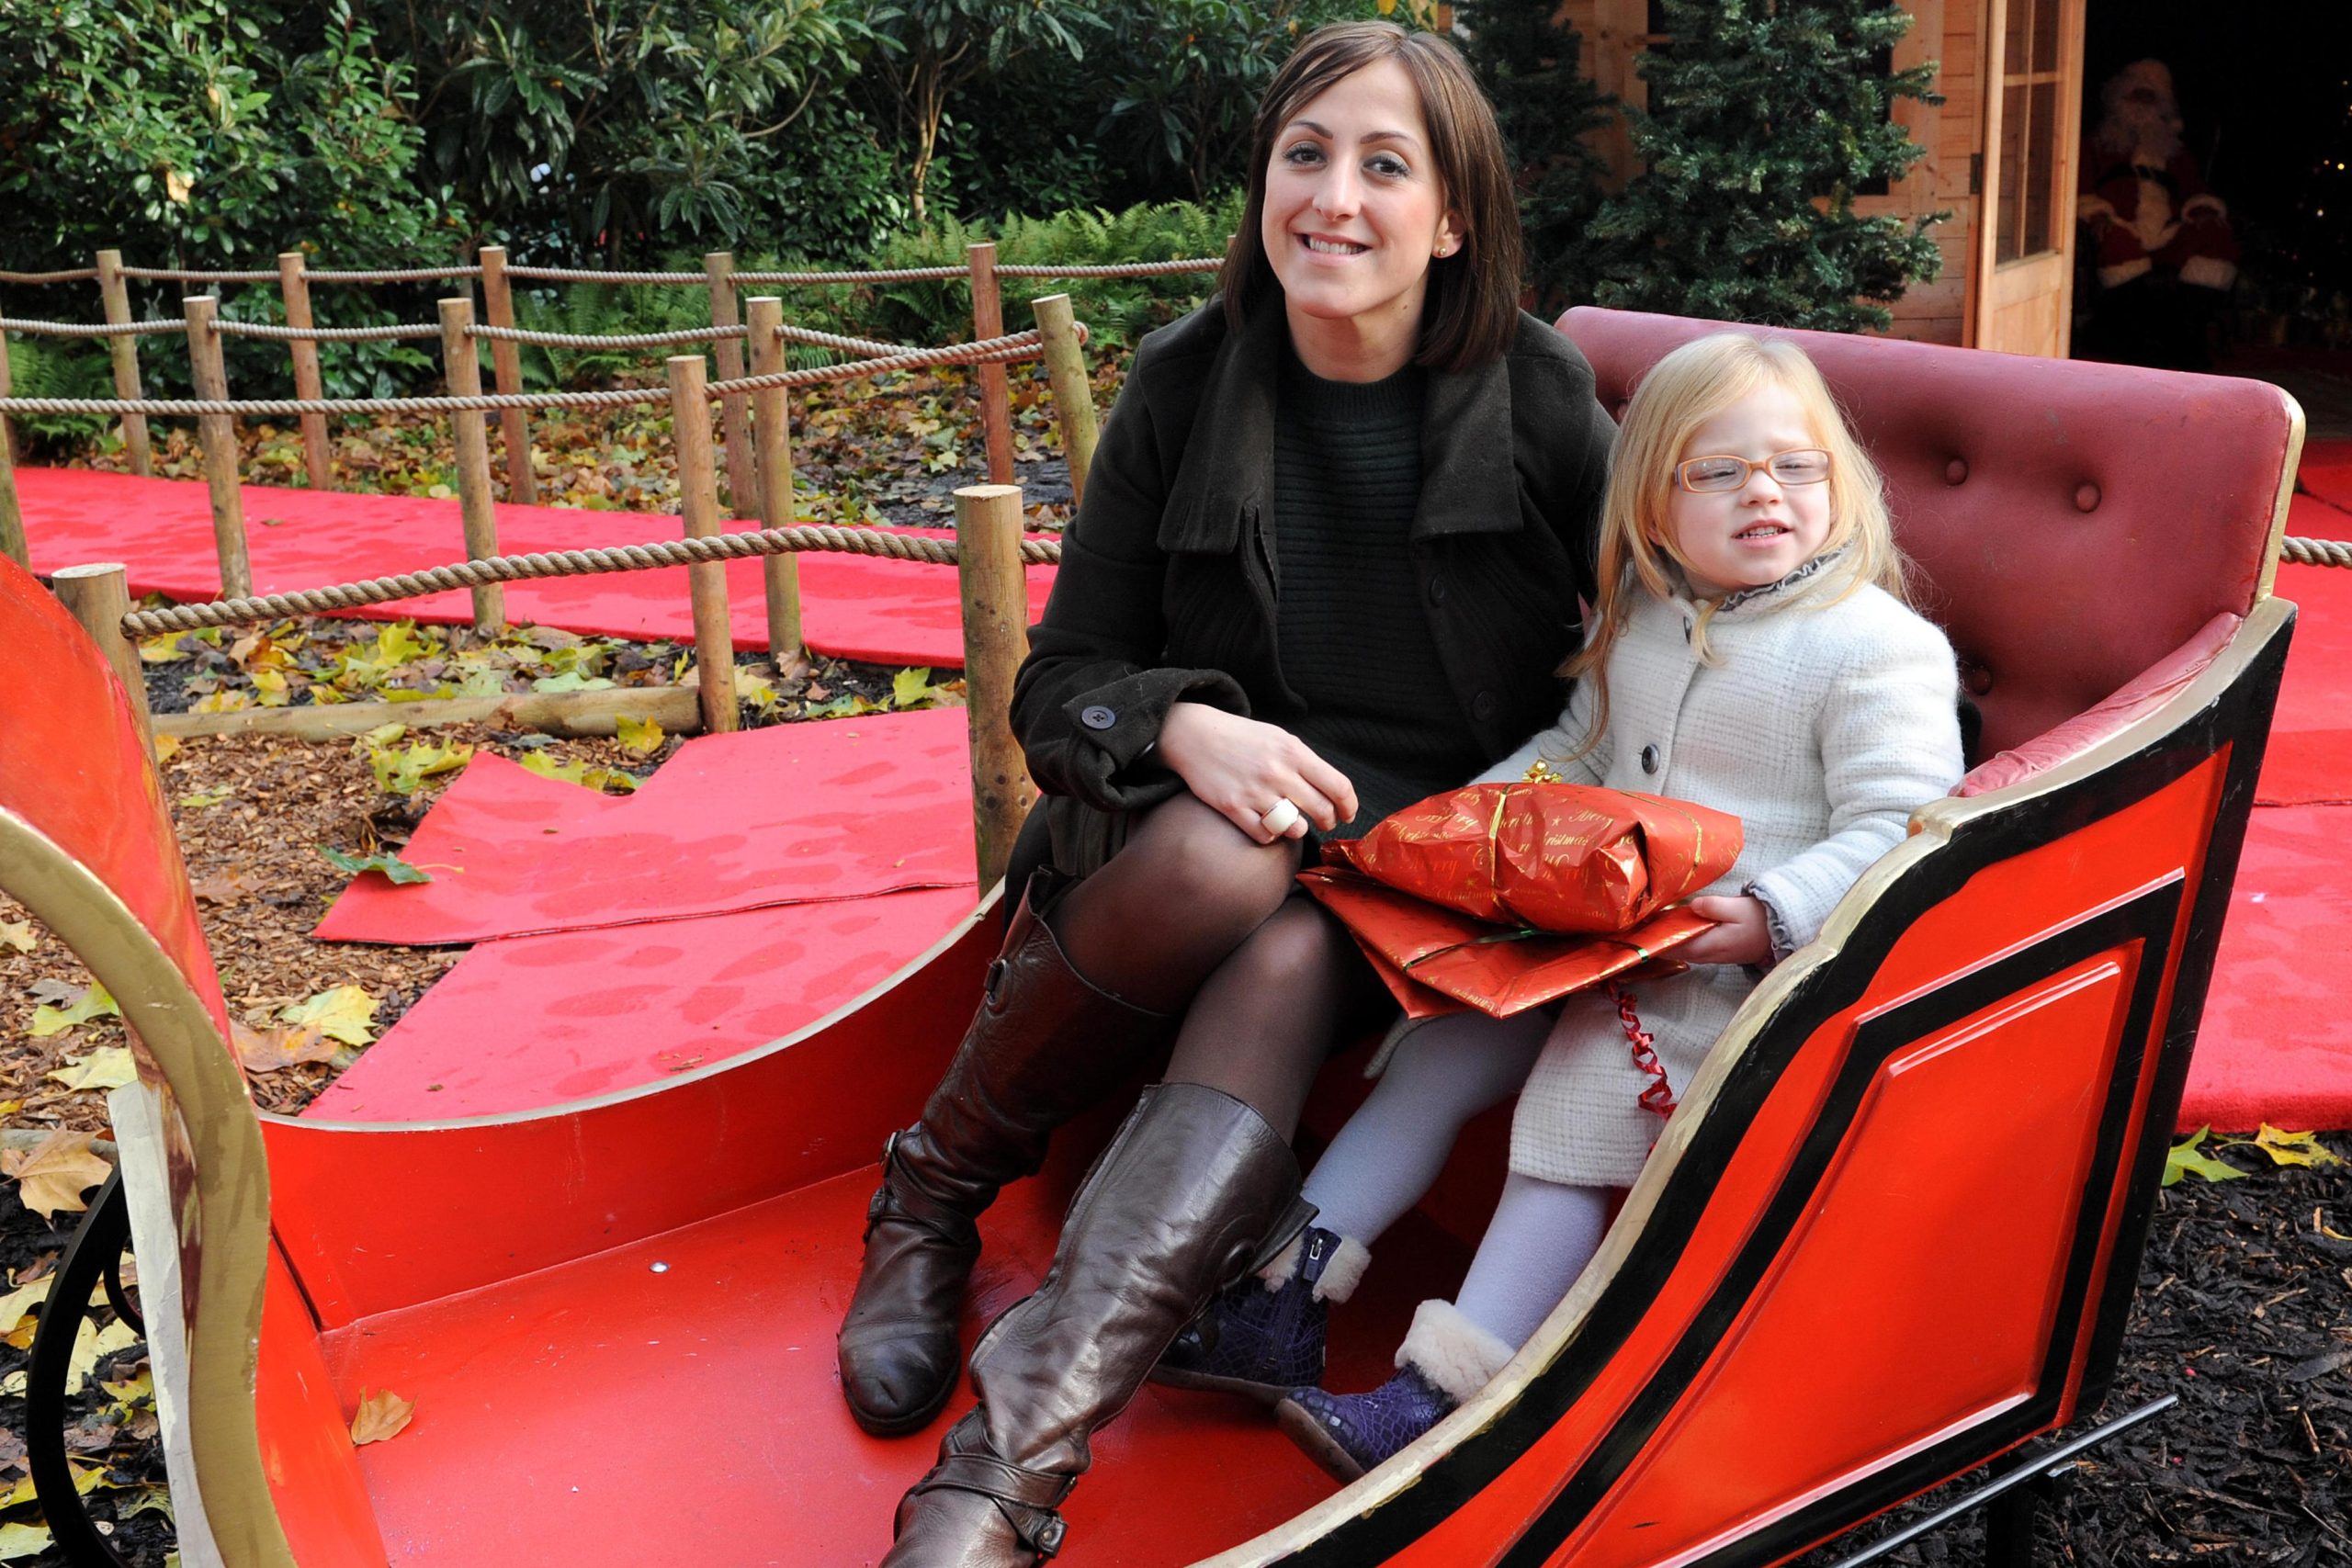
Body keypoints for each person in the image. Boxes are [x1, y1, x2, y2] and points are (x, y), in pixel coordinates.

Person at [837, 19, 1616, 1567]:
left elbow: (1683, 612)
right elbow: (1057, 685)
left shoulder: (1535, 399)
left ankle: (1002, 1467)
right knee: (1224, 869)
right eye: (1305, 156)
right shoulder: (1192, 381)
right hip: (1171, 848)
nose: (1334, 198)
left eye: (1385, 165)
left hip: (1410, 878)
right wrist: (1185, 724)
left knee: (1277, 931)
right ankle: (928, 1196)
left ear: (1452, 216)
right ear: (1263, 185)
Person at [1159, 332, 1965, 1483]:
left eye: (1796, 467)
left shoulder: (1874, 649)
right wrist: (1468, 823)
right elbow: (1576, 745)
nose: (1764, 495)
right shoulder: (1647, 615)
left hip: (1732, 977)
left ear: (1840, 482)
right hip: (1590, 932)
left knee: (1572, 1119)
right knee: (1439, 1047)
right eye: (1717, 472)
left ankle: (1451, 1394)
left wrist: (1762, 919)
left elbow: (1901, 826)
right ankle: (1280, 1294)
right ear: (1651, 504)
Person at [2077, 59, 2238, 369]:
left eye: (2149, 99)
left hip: (2169, 231)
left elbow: (2196, 190)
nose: (2141, 106)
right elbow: (2083, 190)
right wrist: (2096, 214)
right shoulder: (2096, 145)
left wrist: (2203, 209)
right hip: (2119, 224)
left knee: (2215, 237)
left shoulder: (2174, 151)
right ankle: (2143, 337)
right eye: (2135, 97)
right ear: (2118, 99)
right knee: (2117, 244)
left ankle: (2184, 334)